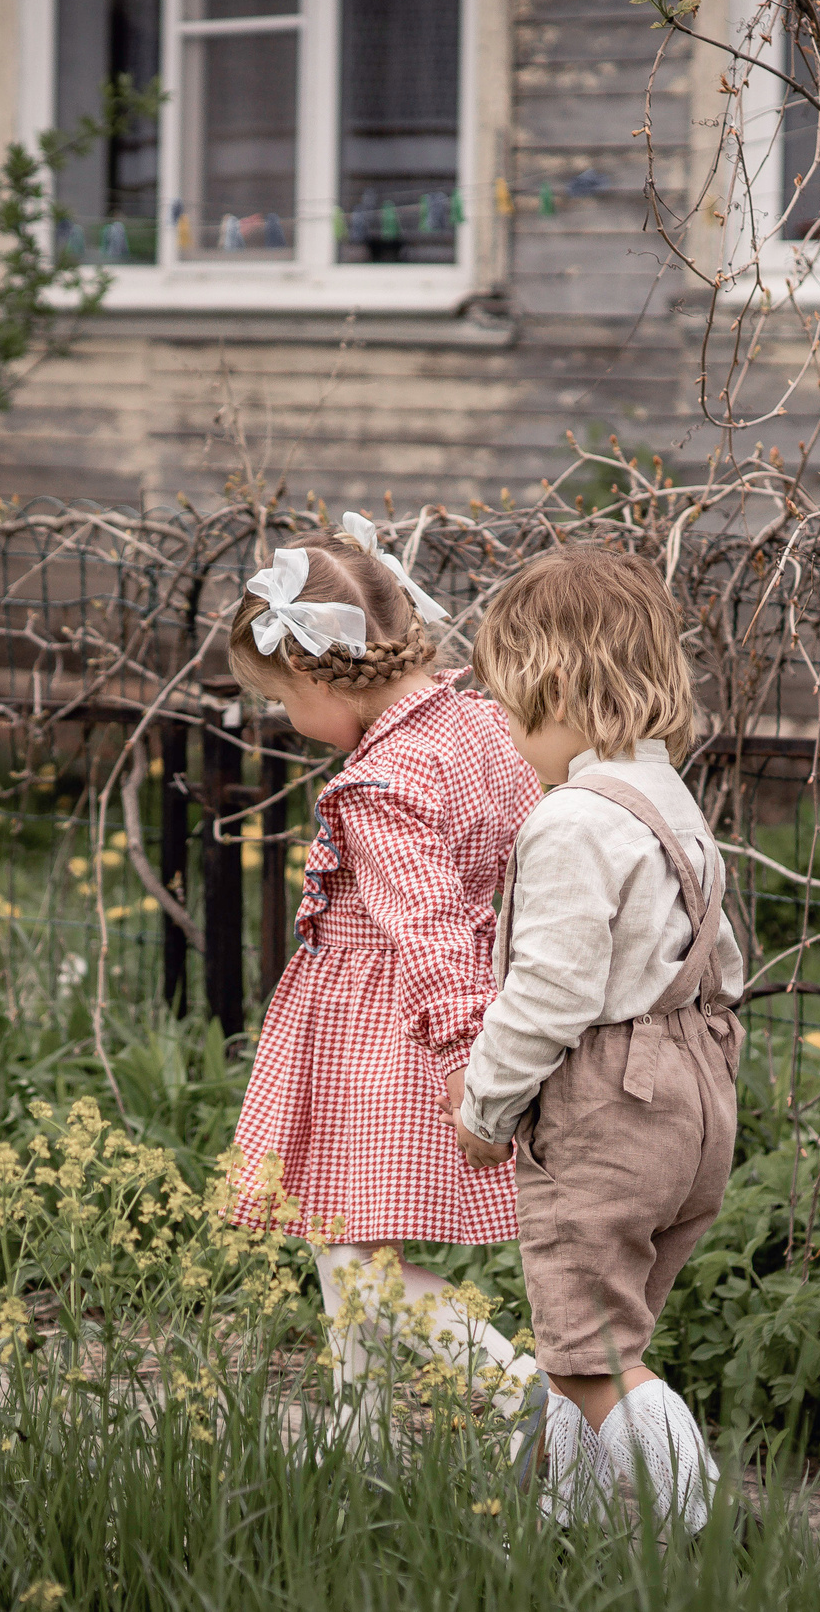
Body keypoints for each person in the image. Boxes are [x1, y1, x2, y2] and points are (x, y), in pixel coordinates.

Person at [443, 544, 744, 1533]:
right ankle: (565, 1525)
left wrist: (487, 1103)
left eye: (507, 704)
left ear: (556, 685)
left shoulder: (571, 818)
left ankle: (710, 1531)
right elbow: (723, 959)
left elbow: (550, 989)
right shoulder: (673, 802)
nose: (504, 730)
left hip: (609, 1098)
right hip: (692, 1091)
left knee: (594, 1348)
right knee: (587, 1333)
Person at [225, 515, 546, 1439]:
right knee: (348, 1238)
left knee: (354, 1246)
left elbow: (429, 924)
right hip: (448, 1009)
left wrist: (464, 1061)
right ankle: (357, 1426)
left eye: (284, 698)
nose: (287, 721)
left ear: (325, 675)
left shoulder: (380, 786)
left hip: (391, 1031)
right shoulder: (484, 721)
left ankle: (509, 1380)